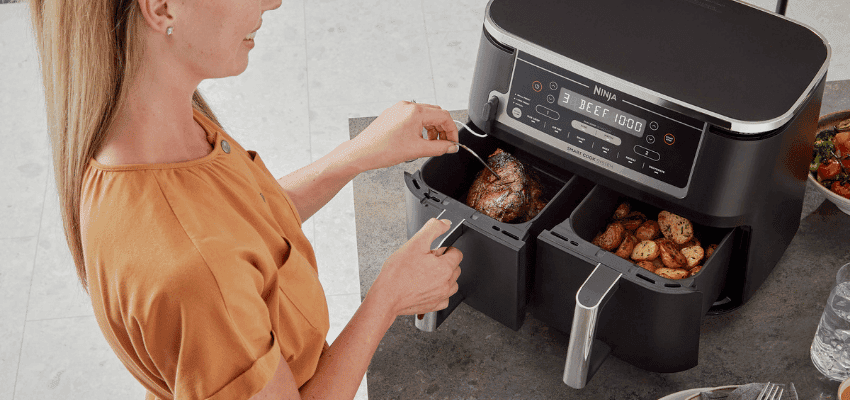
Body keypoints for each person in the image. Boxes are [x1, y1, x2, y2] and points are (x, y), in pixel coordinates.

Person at [27, 0, 463, 398]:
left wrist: (355, 157)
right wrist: (387, 297)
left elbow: (242, 232)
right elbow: (213, 265)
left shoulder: (159, 127)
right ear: (161, 9)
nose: (273, 2)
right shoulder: (193, 275)